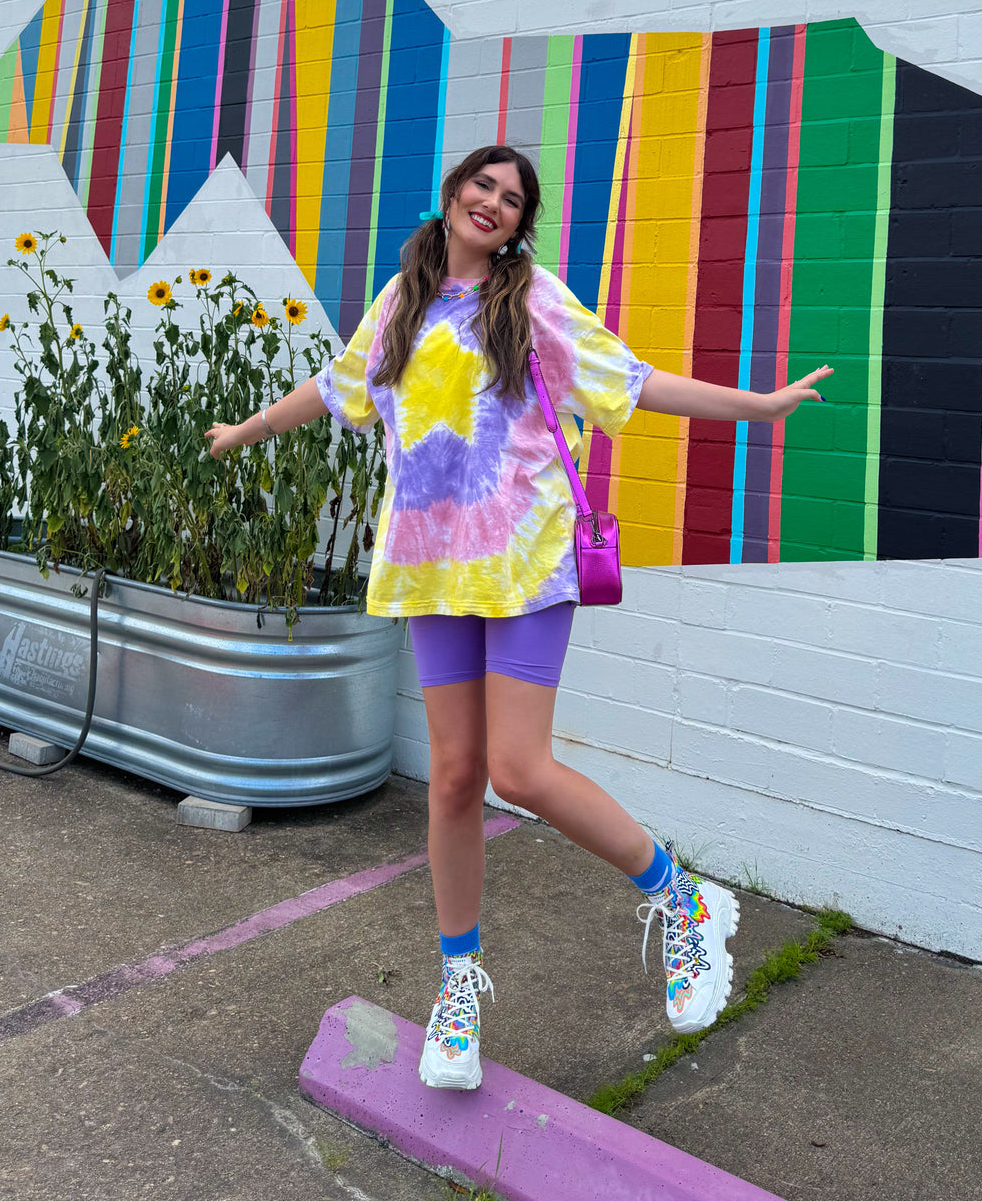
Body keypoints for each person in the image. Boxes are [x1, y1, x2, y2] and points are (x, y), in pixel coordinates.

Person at [206, 144, 831, 1092]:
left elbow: (632, 380)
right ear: (453, 192)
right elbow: (337, 387)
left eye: (511, 198)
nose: (493, 202)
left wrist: (759, 407)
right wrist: (247, 429)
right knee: (455, 778)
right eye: (482, 185)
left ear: (517, 224)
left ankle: (684, 901)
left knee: (519, 769)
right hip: (433, 572)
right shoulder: (402, 300)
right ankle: (459, 987)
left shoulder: (529, 299)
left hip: (527, 565)